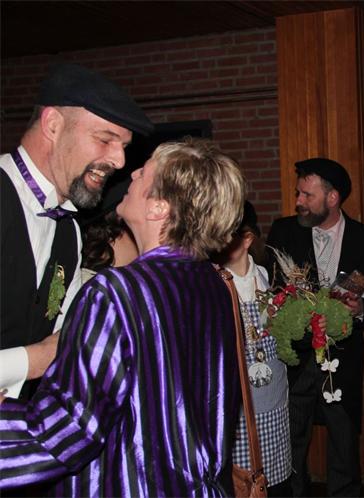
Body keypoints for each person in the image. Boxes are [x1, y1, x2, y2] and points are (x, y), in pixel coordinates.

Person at [0, 139, 246, 496]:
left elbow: (72, 427)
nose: (131, 173)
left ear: (159, 207)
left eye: (144, 172)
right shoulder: (215, 284)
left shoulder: (116, 291)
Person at [0, 62, 153, 400]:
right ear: (53, 125)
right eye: (105, 139)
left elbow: (61, 341)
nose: (119, 161)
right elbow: (47, 353)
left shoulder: (69, 231)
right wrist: (33, 360)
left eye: (124, 147)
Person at [266, 158, 364, 497]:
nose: (298, 201)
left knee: (344, 443)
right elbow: (273, 290)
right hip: (296, 360)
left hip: (343, 359)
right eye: (298, 193)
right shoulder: (283, 231)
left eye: (307, 195)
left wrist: (362, 308)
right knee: (292, 442)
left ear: (332, 198)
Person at [214, 201, 292, 496]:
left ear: (246, 239)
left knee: (277, 483)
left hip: (274, 405)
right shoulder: (214, 283)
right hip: (237, 410)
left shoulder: (269, 278)